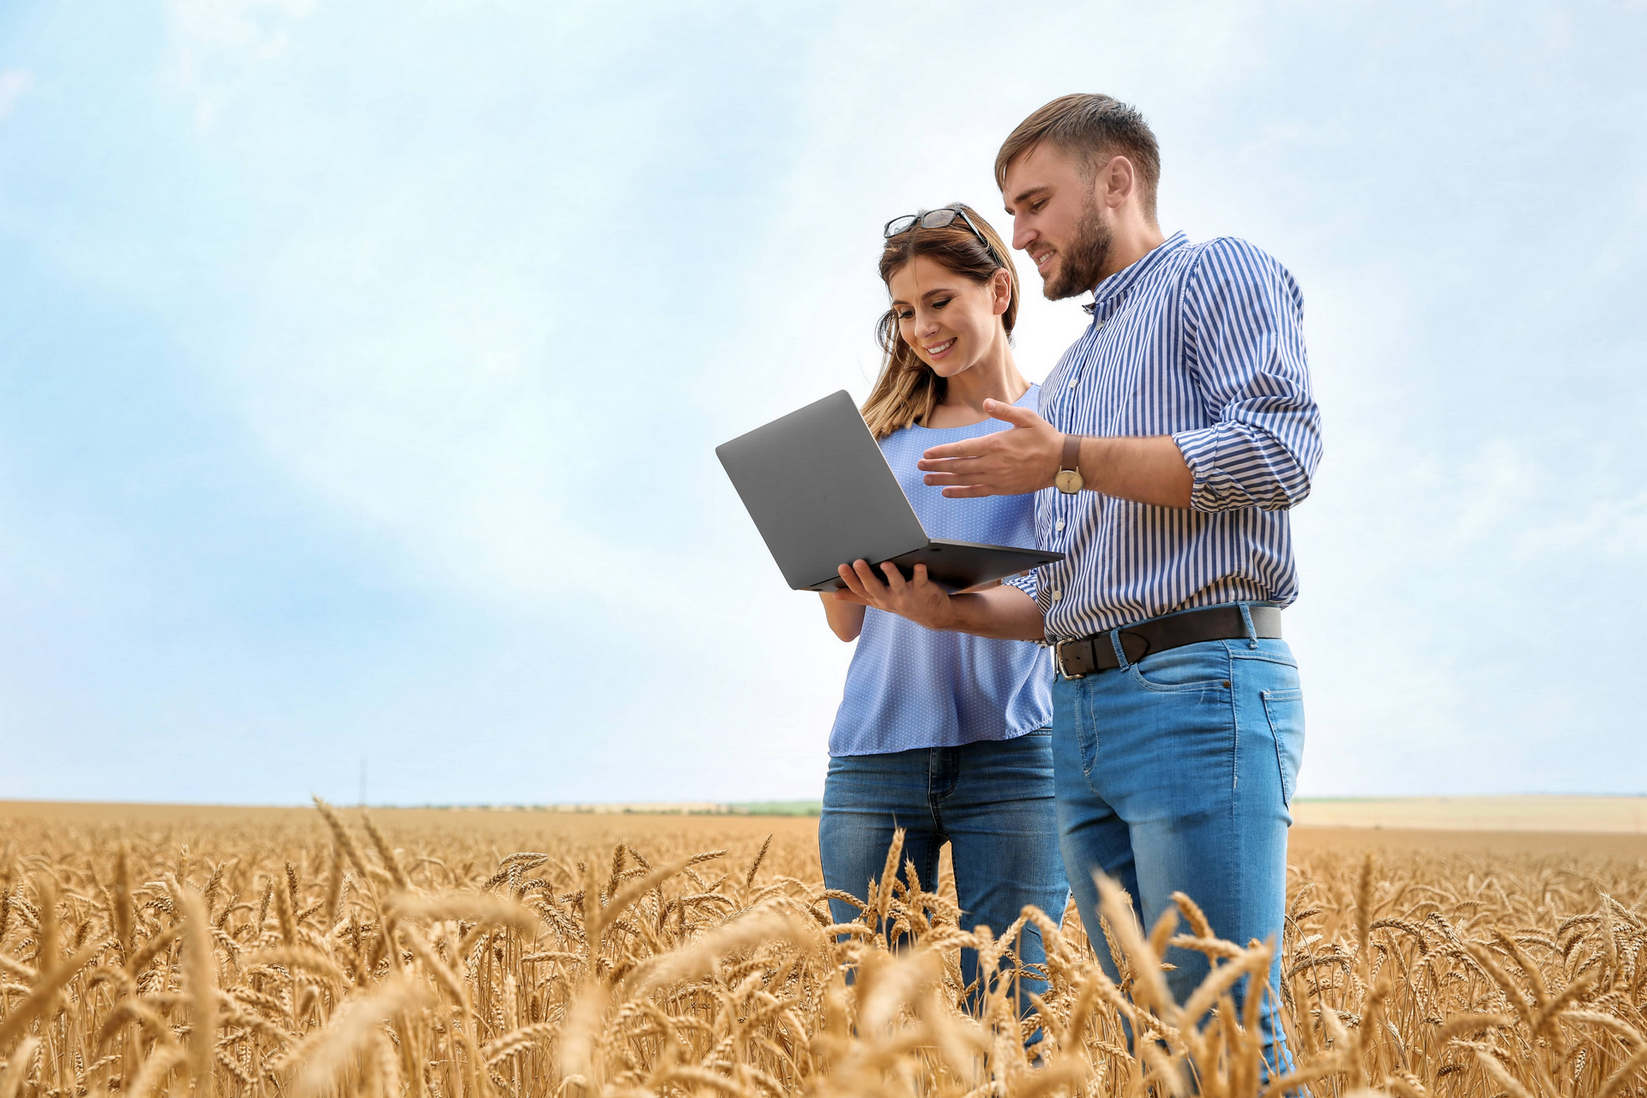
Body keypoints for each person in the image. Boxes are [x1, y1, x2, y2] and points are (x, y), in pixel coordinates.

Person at [833, 95, 1322, 1076]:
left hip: (1194, 685)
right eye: (1010, 213)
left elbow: (1279, 453)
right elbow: (1061, 597)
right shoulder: (1076, 374)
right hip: (1085, 709)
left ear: (1116, 179)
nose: (1020, 235)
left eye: (1033, 204)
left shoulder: (1213, 273)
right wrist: (951, 611)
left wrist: (1067, 462)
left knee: (1218, 1022)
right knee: (1154, 1031)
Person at [818, 202, 1069, 1029]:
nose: (921, 327)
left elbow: (1066, 603)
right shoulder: (873, 440)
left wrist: (948, 610)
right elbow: (847, 626)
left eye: (938, 301)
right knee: (875, 1028)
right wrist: (834, 567)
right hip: (874, 757)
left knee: (1010, 1018)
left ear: (998, 290)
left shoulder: (1053, 432)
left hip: (1016, 755)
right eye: (903, 311)